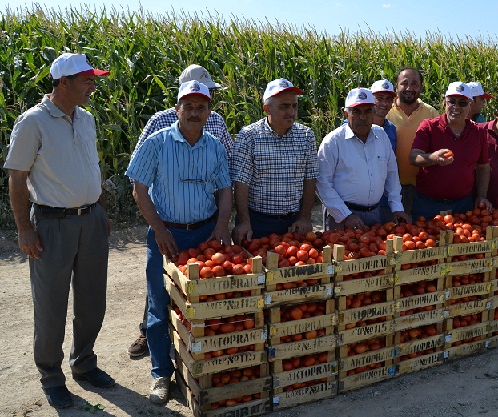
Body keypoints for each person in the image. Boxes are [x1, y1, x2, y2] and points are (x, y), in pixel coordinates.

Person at [4, 53, 115, 409]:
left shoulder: (86, 119)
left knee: (92, 299)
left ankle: (84, 364)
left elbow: (89, 167)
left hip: (91, 221)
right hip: (52, 224)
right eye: (86, 80)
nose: (92, 85)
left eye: (92, 79)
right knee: (51, 306)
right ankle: (51, 376)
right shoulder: (33, 121)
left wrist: (100, 210)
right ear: (63, 82)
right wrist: (24, 229)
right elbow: (17, 177)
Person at [126, 80, 232, 404]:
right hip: (167, 235)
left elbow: (225, 189)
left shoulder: (214, 145)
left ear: (209, 111)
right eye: (189, 106)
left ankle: (196, 368)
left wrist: (221, 226)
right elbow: (139, 190)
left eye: (202, 107)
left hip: (203, 234)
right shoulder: (157, 143)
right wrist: (158, 229)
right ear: (177, 109)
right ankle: (161, 374)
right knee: (159, 305)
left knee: (199, 306)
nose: (195, 112)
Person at [231, 78, 319, 243]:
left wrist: (305, 217)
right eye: (284, 106)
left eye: (294, 106)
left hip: (294, 222)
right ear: (267, 108)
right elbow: (240, 182)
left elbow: (310, 178)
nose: (291, 112)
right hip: (258, 222)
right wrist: (244, 221)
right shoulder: (249, 136)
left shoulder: (306, 136)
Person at [317, 87, 410, 230]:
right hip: (340, 216)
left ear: (374, 112)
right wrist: (345, 215)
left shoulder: (381, 136)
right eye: (356, 111)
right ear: (346, 114)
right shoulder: (333, 141)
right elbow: (322, 183)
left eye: (368, 111)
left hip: (374, 213)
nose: (362, 117)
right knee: (342, 251)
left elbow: (391, 174)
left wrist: (396, 207)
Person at [409, 81, 492, 220]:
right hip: (428, 204)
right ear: (444, 103)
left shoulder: (478, 132)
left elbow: (483, 166)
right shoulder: (429, 127)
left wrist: (482, 195)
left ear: (470, 105)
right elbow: (413, 157)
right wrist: (433, 158)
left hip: (463, 205)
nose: (456, 107)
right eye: (452, 102)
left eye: (462, 103)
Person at [386, 67, 439, 215]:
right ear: (396, 86)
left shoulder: (431, 113)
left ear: (421, 87)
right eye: (404, 83)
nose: (409, 88)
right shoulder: (385, 112)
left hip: (421, 188)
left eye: (415, 84)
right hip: (390, 188)